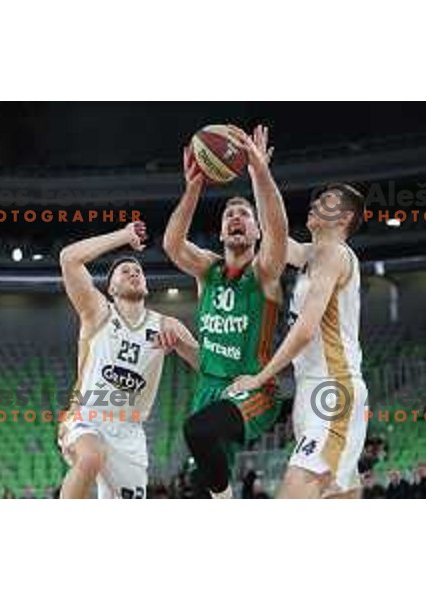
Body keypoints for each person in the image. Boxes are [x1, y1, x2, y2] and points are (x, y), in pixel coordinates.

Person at [163, 125, 288, 498]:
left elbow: (279, 231)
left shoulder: (264, 273)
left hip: (254, 389)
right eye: (229, 214)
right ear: (219, 233)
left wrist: (259, 174)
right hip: (210, 389)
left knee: (197, 431)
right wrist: (193, 188)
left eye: (244, 215)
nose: (236, 217)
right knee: (201, 480)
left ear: (256, 232)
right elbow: (172, 244)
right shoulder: (208, 271)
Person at [229, 183, 368, 499]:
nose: (316, 201)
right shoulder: (311, 254)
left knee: (294, 492)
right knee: (338, 497)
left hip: (333, 389)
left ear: (344, 217)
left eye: (327, 200)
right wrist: (258, 173)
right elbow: (275, 233)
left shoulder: (335, 254)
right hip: (312, 391)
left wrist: (261, 377)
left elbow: (305, 330)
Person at [58, 222, 198, 499]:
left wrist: (182, 344)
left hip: (130, 431)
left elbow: (206, 366)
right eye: (125, 271)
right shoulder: (98, 313)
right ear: (111, 287)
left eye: (138, 271)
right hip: (87, 416)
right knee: (90, 457)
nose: (134, 273)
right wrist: (124, 236)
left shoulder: (166, 325)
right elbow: (69, 258)